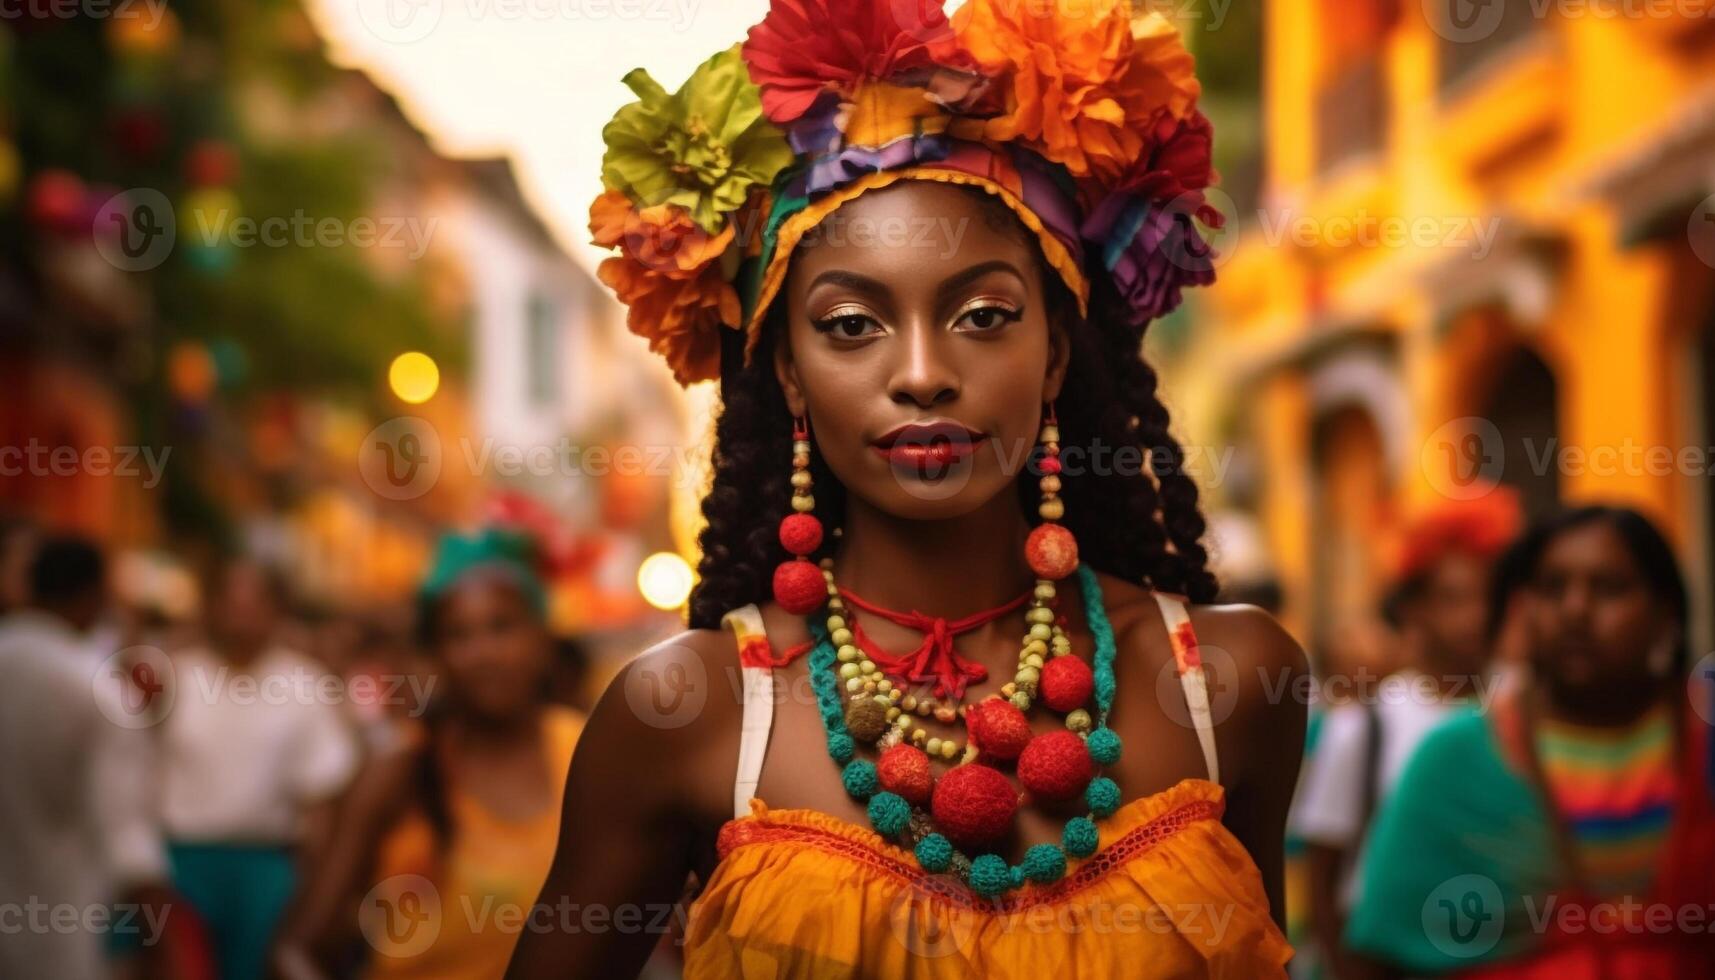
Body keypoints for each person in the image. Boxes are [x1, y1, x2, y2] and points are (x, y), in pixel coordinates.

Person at [508, 2, 1308, 976]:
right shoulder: (686, 709)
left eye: (980, 314)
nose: (922, 371)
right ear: (789, 372)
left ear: (1054, 352)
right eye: (852, 324)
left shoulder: (1226, 685)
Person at [1345, 505, 1715, 977]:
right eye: (1552, 588)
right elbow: (1375, 955)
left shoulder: (1706, 743)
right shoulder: (1454, 763)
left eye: (1609, 588)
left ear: (1666, 612)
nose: (1575, 610)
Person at [274, 527, 584, 979]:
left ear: (542, 638)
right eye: (459, 635)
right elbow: (296, 949)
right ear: (436, 655)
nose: (484, 653)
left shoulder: (585, 753)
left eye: (502, 626)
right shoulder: (401, 770)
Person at [1291, 491, 1520, 979]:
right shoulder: (1365, 723)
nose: (1475, 617)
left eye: (1486, 597)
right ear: (1414, 610)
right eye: (1453, 598)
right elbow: (1324, 866)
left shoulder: (1523, 711)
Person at [157, 557, 359, 980]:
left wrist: (310, 883)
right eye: (230, 602)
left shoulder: (307, 686)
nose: (240, 615)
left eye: (254, 604)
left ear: (277, 611)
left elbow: (324, 794)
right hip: (180, 862)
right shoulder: (175, 676)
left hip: (266, 868)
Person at [0, 535, 173, 979]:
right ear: (93, 595)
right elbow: (127, 835)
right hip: (65, 931)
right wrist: (162, 946)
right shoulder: (97, 689)